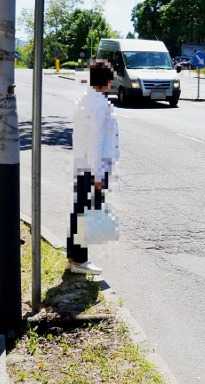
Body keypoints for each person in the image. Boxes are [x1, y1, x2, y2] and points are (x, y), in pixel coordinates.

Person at [67, 59, 119, 275]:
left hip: (83, 164)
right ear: (106, 81)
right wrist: (98, 173)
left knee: (81, 209)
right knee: (87, 212)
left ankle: (75, 256)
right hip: (93, 166)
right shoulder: (100, 105)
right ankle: (79, 260)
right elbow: (96, 141)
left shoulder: (84, 100)